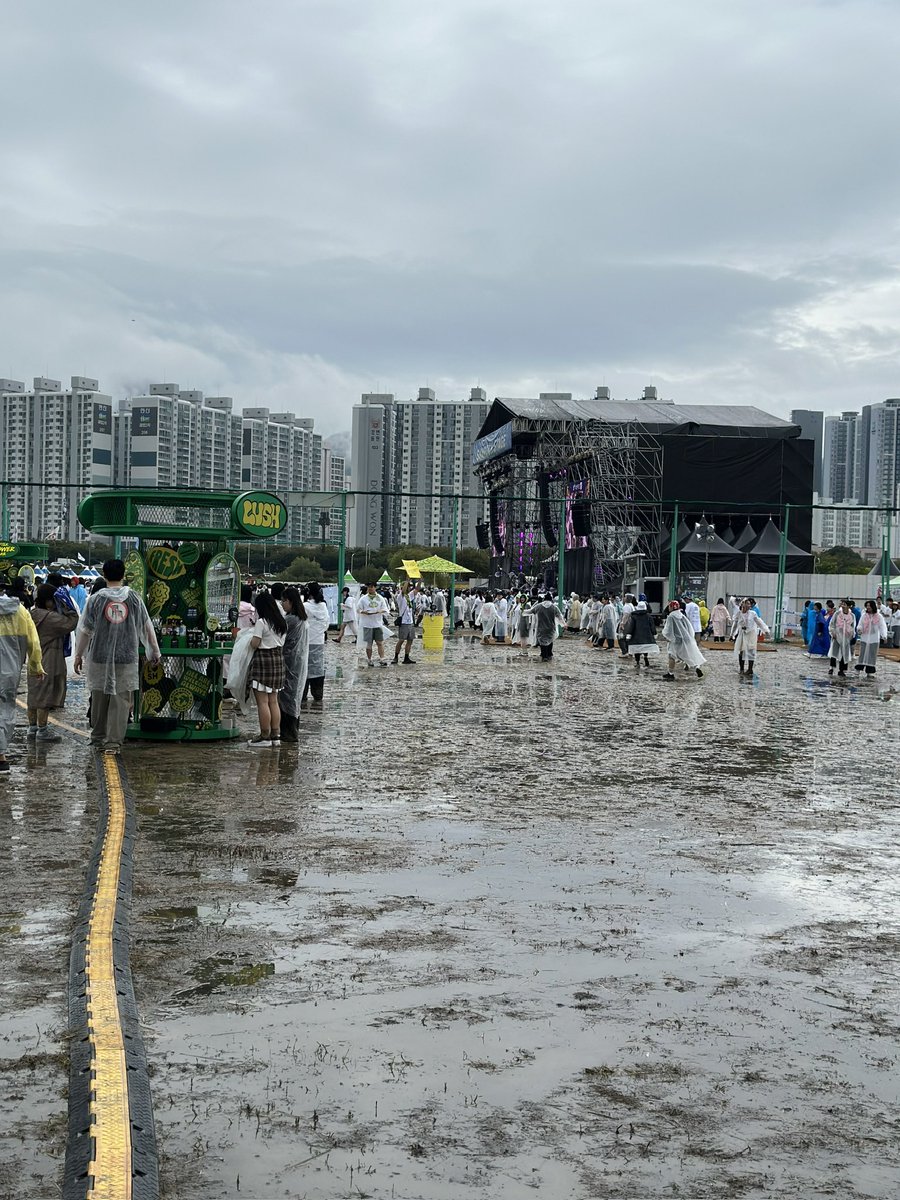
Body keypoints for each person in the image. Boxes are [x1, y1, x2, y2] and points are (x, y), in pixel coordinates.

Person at [73, 559, 161, 754]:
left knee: (99, 698)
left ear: (104, 575)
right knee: (121, 701)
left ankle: (97, 739)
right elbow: (147, 628)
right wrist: (154, 651)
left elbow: (85, 630)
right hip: (126, 657)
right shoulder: (135, 598)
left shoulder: (95, 599)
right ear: (123, 575)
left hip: (99, 656)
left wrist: (78, 655)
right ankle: (113, 743)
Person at [26, 583, 80, 742]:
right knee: (45, 695)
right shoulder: (50, 618)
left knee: (33, 694)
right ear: (48, 601)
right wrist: (65, 604)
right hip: (48, 660)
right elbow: (72, 622)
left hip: (34, 660)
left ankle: (32, 728)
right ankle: (42, 731)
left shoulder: (31, 614)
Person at [0, 586, 44, 773]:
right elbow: (33, 642)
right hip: (9, 673)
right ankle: (1, 756)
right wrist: (36, 666)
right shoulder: (21, 612)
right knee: (5, 709)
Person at [246, 591, 287, 746]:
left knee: (262, 702)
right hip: (278, 660)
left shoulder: (262, 622)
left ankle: (264, 736)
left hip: (263, 661)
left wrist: (248, 640)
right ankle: (275, 735)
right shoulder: (282, 622)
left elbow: (255, 644)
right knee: (273, 701)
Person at [278, 586, 309, 742]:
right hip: (298, 663)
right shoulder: (301, 618)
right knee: (294, 697)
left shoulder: (290, 620)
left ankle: (288, 733)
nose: (282, 604)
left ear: (290, 601)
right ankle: (291, 731)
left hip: (289, 663)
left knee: (287, 697)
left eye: (283, 601)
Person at [661, 601, 707, 680]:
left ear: (671, 607)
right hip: (685, 638)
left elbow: (668, 630)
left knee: (672, 656)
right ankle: (696, 668)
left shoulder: (671, 616)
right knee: (688, 654)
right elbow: (688, 626)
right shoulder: (681, 615)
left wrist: (667, 637)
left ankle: (670, 673)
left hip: (676, 640)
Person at [302, 581, 331, 704]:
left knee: (304, 667)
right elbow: (326, 623)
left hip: (306, 641)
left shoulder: (305, 606)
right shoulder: (323, 606)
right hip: (319, 641)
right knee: (317, 667)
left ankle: (302, 694)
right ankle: (317, 693)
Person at [731, 598, 770, 677]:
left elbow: (759, 622)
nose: (749, 605)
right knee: (742, 651)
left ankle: (750, 669)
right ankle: (741, 669)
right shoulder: (738, 614)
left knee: (751, 651)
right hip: (742, 634)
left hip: (751, 634)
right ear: (743, 605)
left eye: (749, 604)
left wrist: (766, 630)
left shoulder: (753, 613)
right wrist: (732, 634)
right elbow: (735, 625)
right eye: (747, 604)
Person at [356, 581, 390, 667]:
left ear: (375, 588)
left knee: (379, 642)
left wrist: (380, 611)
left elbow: (386, 609)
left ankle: (382, 658)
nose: (370, 589)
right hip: (367, 624)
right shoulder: (363, 599)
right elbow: (358, 609)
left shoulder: (380, 598)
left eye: (371, 587)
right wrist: (363, 612)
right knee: (369, 643)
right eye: (368, 587)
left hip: (377, 624)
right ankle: (369, 659)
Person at [524, 594, 564, 661]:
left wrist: (523, 612)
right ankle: (549, 654)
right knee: (550, 640)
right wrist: (564, 624)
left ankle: (544, 655)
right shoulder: (554, 607)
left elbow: (531, 611)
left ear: (544, 599)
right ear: (551, 599)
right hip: (551, 627)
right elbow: (560, 616)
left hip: (541, 627)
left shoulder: (539, 606)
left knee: (542, 641)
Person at [854, 600, 888, 677]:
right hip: (865, 638)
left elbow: (882, 626)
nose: (868, 607)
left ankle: (869, 671)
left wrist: (884, 636)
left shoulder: (879, 616)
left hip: (874, 639)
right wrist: (859, 629)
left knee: (872, 655)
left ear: (873, 606)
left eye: (869, 605)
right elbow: (860, 624)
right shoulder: (864, 615)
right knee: (862, 654)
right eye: (867, 606)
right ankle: (858, 670)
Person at [623, 601, 659, 669]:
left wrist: (629, 634)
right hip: (647, 636)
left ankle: (637, 662)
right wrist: (654, 634)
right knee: (645, 648)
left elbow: (631, 626)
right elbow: (652, 626)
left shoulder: (634, 616)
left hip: (636, 637)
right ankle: (645, 657)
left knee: (637, 650)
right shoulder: (649, 616)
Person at [827, 600, 856, 677]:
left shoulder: (852, 616)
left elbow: (853, 627)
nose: (843, 606)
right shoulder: (837, 614)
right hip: (837, 636)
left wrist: (851, 635)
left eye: (845, 604)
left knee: (844, 654)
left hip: (846, 637)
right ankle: (831, 668)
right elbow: (832, 624)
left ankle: (842, 670)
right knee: (834, 652)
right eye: (842, 604)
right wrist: (833, 632)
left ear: (849, 606)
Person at [392, 581, 417, 664]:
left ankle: (406, 657)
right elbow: (403, 591)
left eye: (410, 586)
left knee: (410, 640)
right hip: (403, 622)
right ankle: (396, 657)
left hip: (410, 621)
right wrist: (407, 579)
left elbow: (417, 589)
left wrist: (419, 581)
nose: (409, 588)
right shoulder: (400, 596)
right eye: (407, 586)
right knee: (401, 640)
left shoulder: (409, 596)